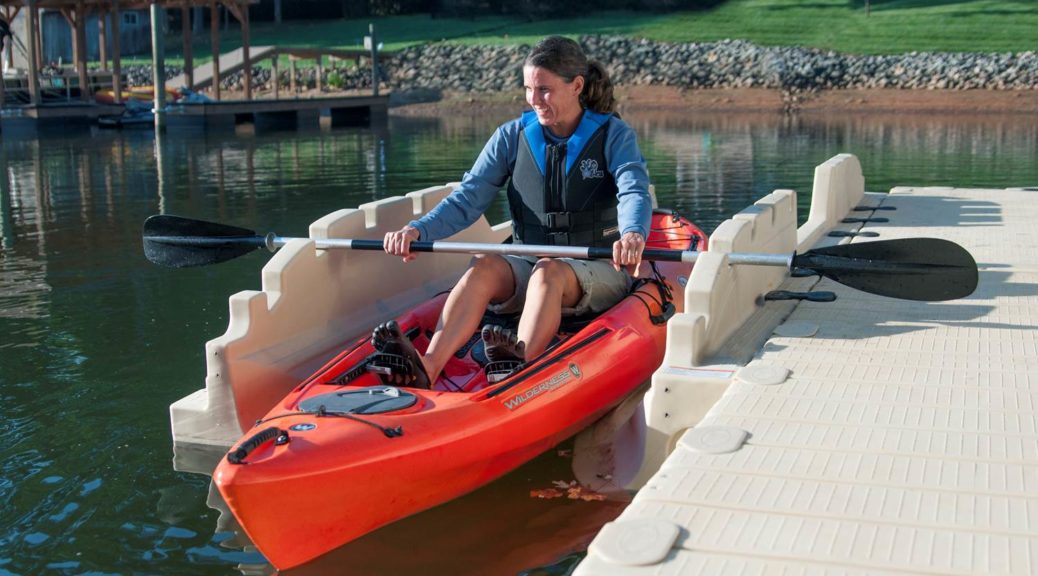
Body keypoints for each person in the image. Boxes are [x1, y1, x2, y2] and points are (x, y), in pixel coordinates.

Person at [371, 36, 652, 388]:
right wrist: (418, 231)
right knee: (484, 263)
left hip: (597, 266)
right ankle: (428, 365)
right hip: (529, 264)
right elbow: (467, 199)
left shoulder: (614, 135)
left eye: (545, 89)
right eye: (528, 89)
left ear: (576, 86)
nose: (534, 100)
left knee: (548, 272)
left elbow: (633, 191)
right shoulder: (511, 136)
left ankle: (523, 367)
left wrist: (632, 234)